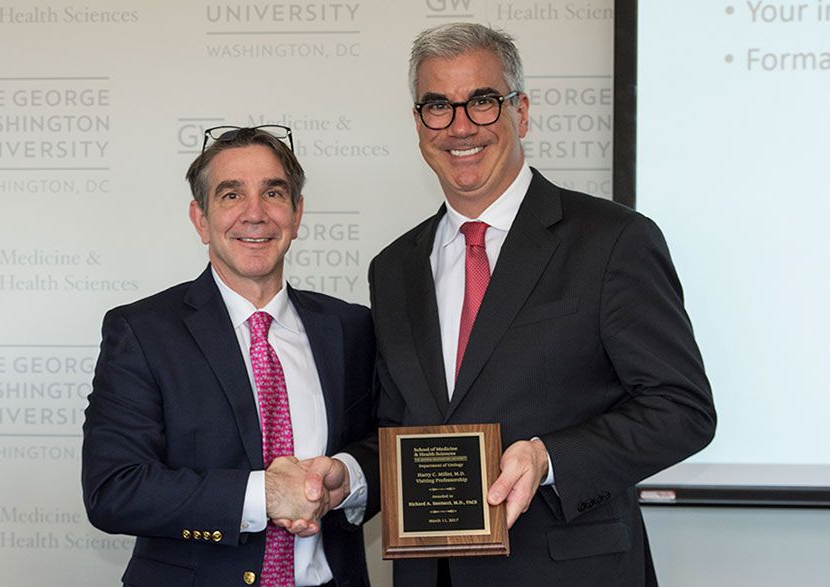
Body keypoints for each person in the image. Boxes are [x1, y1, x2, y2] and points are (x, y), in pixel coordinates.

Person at [369, 23, 716, 586]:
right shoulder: (393, 267)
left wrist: (549, 458)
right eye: (438, 106)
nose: (460, 127)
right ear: (418, 123)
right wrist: (343, 477)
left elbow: (682, 410)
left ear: (521, 112)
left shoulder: (613, 240)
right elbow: (395, 424)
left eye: (482, 102)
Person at [82, 126, 378, 587]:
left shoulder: (350, 328)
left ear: (297, 215)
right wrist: (265, 495)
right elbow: (114, 489)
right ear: (200, 219)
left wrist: (348, 476)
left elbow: (387, 446)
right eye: (231, 195)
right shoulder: (142, 332)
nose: (255, 214)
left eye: (273, 193)